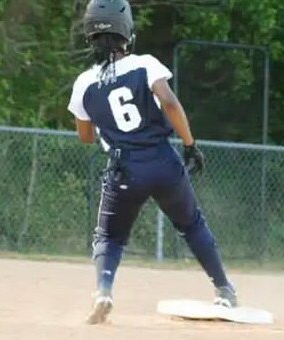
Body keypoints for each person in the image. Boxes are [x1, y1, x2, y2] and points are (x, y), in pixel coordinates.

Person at [67, 0, 237, 324]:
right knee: (191, 225)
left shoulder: (84, 84)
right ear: (127, 32)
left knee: (109, 237)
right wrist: (190, 145)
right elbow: (169, 102)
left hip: (123, 169)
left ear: (90, 35)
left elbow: (85, 136)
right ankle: (224, 289)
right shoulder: (145, 64)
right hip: (162, 162)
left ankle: (103, 290)